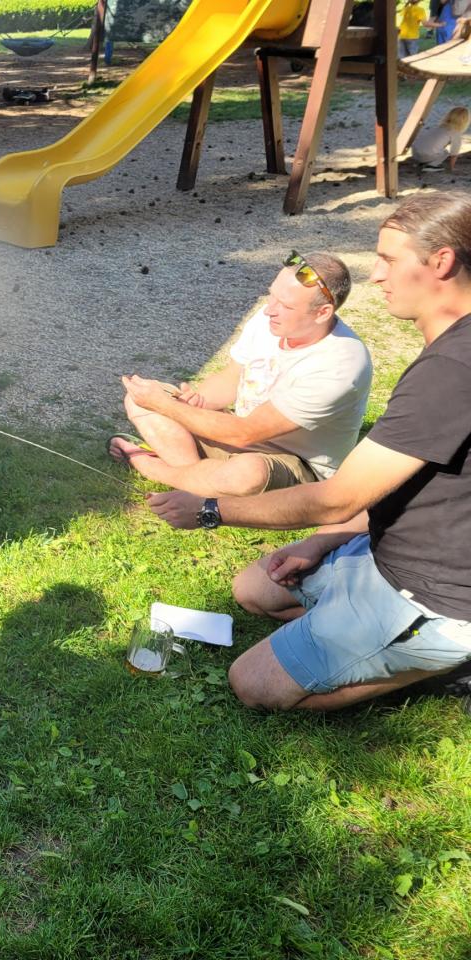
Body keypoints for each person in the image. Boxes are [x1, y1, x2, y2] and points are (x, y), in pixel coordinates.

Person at [147, 192, 471, 713]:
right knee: (252, 590)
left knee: (253, 684)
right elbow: (407, 484)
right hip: (387, 548)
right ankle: (358, 635)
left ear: (441, 262)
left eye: (388, 260)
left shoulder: (452, 370)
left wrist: (209, 510)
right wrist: (324, 542)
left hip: (434, 594)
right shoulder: (449, 349)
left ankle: (441, 660)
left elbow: (336, 498)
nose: (376, 277)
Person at [111, 252, 372, 498]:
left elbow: (245, 433)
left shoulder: (340, 365)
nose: (269, 309)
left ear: (322, 313)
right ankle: (196, 482)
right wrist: (196, 401)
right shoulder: (268, 320)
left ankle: (152, 467)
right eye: (271, 296)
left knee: (247, 473)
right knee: (138, 398)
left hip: (293, 461)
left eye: (285, 306)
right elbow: (231, 378)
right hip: (237, 434)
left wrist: (167, 406)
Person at [411, 105, 471, 171]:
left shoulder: (438, 127)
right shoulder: (455, 133)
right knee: (445, 152)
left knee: (434, 148)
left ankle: (422, 163)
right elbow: (454, 154)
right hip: (426, 156)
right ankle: (431, 166)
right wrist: (452, 167)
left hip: (414, 154)